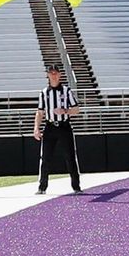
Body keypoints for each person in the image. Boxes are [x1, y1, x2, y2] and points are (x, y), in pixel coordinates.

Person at [35, 63, 82, 193]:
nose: (54, 76)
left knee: (70, 156)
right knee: (45, 157)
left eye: (56, 73)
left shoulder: (66, 91)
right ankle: (42, 187)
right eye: (51, 73)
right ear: (48, 75)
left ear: (59, 75)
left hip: (64, 126)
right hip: (50, 126)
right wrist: (36, 129)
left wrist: (65, 111)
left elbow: (76, 109)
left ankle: (76, 187)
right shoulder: (44, 93)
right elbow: (39, 112)